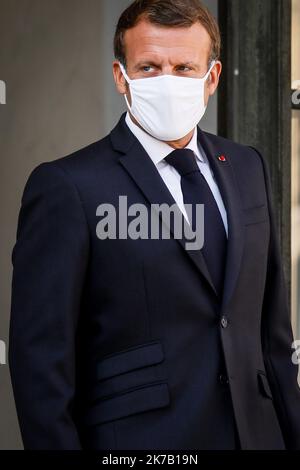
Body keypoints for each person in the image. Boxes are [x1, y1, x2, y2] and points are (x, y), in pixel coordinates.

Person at [9, 0, 300, 450]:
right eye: (149, 66)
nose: (168, 81)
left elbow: (270, 332)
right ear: (121, 76)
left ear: (213, 78)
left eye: (185, 67)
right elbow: (40, 363)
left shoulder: (247, 167)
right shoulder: (68, 186)